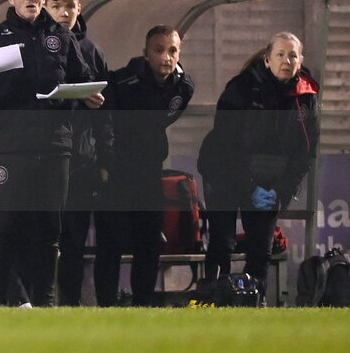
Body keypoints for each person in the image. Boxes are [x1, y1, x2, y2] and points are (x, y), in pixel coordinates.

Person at [0, 0, 97, 307]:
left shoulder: (62, 37)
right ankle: (0, 303)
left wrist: (88, 94)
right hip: (12, 149)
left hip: (54, 148)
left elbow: (83, 79)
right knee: (5, 228)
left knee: (49, 231)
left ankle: (44, 304)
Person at [198, 32, 319, 300]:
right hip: (223, 173)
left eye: (292, 55)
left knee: (260, 248)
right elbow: (224, 146)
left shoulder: (306, 97)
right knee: (222, 242)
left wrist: (280, 193)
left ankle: (255, 302)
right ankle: (214, 302)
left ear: (300, 61)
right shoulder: (240, 89)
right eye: (280, 54)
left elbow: (304, 154)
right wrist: (250, 187)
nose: (286, 60)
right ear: (267, 60)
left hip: (269, 180)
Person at [101, 26, 194, 307]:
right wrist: (104, 165)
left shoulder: (183, 87)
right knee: (111, 242)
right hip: (117, 172)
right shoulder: (122, 82)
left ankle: (143, 303)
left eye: (173, 50)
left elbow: (164, 120)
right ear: (145, 53)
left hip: (150, 171)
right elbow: (105, 124)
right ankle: (106, 304)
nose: (167, 57)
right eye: (159, 50)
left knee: (149, 241)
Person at [45, 0, 114, 306]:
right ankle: (40, 302)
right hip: (43, 157)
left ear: (79, 9)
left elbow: (105, 114)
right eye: (56, 5)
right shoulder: (36, 44)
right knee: (43, 236)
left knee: (74, 240)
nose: (63, 12)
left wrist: (104, 161)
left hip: (82, 160)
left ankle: (71, 306)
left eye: (69, 6)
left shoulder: (93, 51)